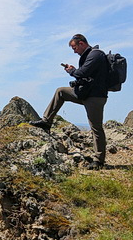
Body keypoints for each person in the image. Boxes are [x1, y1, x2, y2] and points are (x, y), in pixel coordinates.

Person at [30, 34, 109, 169]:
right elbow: (85, 75)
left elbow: (82, 73)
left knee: (96, 127)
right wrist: (75, 75)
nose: (74, 51)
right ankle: (46, 122)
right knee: (60, 91)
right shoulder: (88, 56)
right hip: (84, 93)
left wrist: (72, 71)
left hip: (95, 97)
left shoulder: (96, 55)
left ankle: (98, 160)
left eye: (75, 47)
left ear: (82, 43)